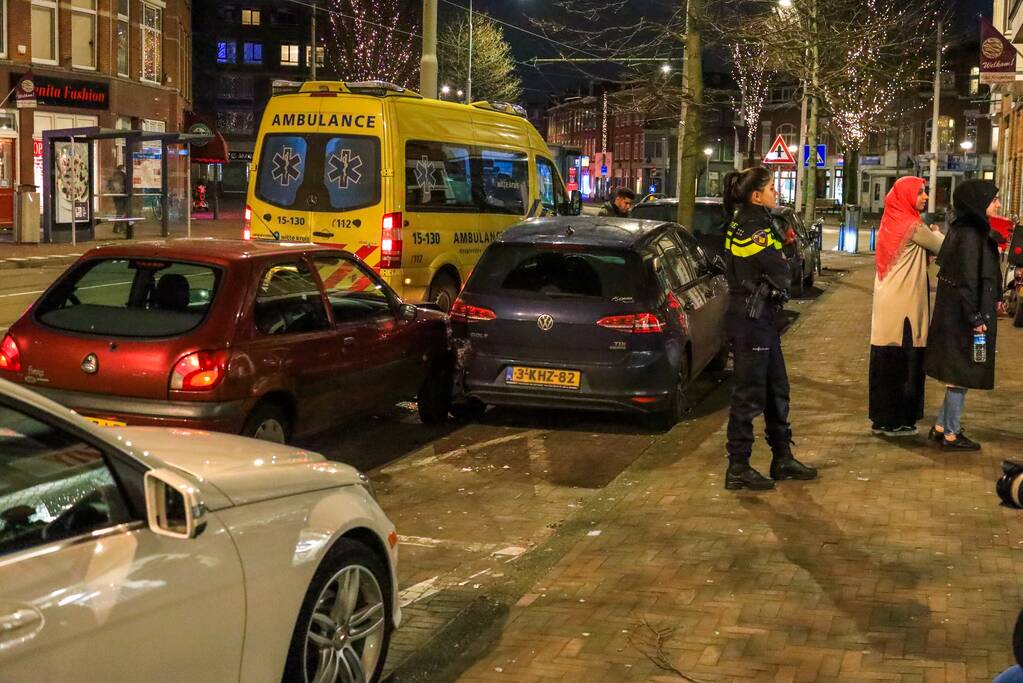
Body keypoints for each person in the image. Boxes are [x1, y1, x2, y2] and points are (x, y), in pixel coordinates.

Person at [721, 166, 817, 491]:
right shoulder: (755, 228)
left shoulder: (745, 222)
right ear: (756, 195)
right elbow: (781, 272)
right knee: (749, 394)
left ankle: (782, 456)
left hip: (757, 317)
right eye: (772, 188)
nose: (776, 192)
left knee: (777, 388)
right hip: (753, 318)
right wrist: (785, 254)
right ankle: (738, 467)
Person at [925, 179, 1003, 450]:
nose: (998, 204)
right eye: (994, 200)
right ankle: (951, 433)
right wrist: (976, 318)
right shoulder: (970, 236)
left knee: (963, 370)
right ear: (978, 202)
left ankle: (941, 425)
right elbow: (968, 279)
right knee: (963, 371)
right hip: (967, 319)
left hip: (963, 316)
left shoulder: (966, 231)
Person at [868, 176, 944, 437]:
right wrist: (936, 232)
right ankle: (899, 419)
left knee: (884, 361)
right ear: (907, 195)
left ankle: (882, 417)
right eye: (921, 193)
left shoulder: (890, 221)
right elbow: (944, 247)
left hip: (887, 303)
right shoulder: (913, 226)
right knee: (905, 362)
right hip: (906, 306)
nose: (924, 197)